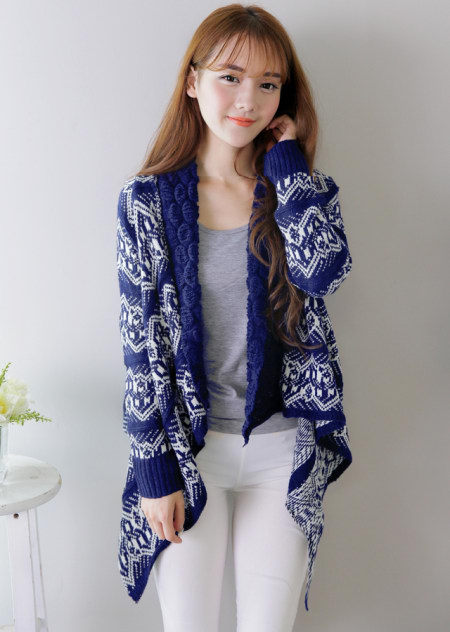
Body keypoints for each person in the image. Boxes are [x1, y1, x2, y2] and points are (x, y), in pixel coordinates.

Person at [116, 4, 353, 631]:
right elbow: (140, 344)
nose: (248, 99)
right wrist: (152, 467)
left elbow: (323, 273)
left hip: (281, 451)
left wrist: (288, 166)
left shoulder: (300, 192)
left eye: (268, 83)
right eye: (230, 76)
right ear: (193, 82)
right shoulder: (146, 201)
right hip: (189, 451)